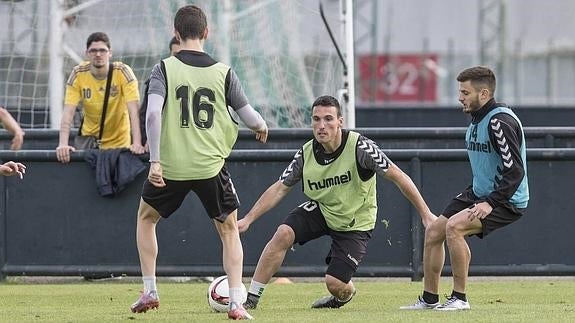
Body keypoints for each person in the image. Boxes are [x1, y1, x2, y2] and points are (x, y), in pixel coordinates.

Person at [130, 5, 268, 320]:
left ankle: (150, 289)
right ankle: (235, 302)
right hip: (209, 166)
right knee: (229, 230)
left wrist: (155, 160)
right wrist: (261, 128)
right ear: (207, 33)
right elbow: (250, 117)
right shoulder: (223, 72)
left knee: (146, 219)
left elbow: (152, 113)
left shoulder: (163, 68)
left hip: (172, 166)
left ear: (176, 34)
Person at [238, 95, 436, 310]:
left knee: (335, 284)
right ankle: (251, 299)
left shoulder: (361, 147)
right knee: (283, 233)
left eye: (328, 119)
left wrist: (426, 214)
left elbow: (398, 175)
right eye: (316, 119)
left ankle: (344, 294)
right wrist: (248, 219)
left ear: (340, 121)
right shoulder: (306, 153)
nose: (321, 125)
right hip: (322, 210)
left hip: (355, 222)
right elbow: (280, 188)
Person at [400, 66, 529, 311]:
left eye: (465, 92)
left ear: (483, 94)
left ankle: (460, 298)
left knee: (454, 228)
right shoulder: (476, 121)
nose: (460, 97)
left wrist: (490, 202)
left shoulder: (499, 122)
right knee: (433, 232)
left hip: (506, 199)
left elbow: (515, 171)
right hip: (479, 192)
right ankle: (429, 299)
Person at [56, 32, 145, 163]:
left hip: (119, 144)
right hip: (89, 143)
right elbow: (68, 113)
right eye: (93, 51)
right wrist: (63, 144)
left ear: (110, 53)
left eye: (102, 50)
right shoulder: (78, 74)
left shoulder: (123, 72)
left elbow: (134, 111)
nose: (98, 54)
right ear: (87, 53)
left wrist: (137, 142)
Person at [139, 36, 181, 149]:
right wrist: (148, 139)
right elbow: (146, 114)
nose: (178, 59)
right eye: (175, 54)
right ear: (170, 54)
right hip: (162, 146)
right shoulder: (156, 82)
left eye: (182, 55)